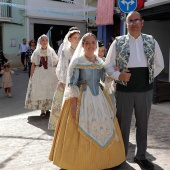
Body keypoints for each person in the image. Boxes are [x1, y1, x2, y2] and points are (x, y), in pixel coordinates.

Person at [49, 33, 125, 169]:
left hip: (99, 98)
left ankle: (106, 160)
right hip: (81, 98)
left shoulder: (100, 62)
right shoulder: (77, 62)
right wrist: (73, 105)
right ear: (82, 45)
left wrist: (114, 74)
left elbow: (104, 79)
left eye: (93, 43)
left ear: (95, 45)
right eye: (87, 43)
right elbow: (72, 84)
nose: (90, 45)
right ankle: (80, 161)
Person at [105, 11, 164, 170]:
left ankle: (141, 156)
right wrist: (118, 75)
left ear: (142, 22)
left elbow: (160, 64)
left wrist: (149, 76)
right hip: (124, 90)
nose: (134, 23)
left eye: (137, 20)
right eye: (130, 21)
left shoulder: (151, 41)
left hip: (145, 89)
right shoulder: (118, 42)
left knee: (143, 124)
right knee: (123, 125)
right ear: (127, 24)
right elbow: (107, 65)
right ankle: (120, 156)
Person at [48, 27, 81, 130]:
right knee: (68, 108)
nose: (77, 40)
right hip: (67, 83)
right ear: (69, 38)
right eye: (75, 38)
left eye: (79, 38)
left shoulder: (81, 51)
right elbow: (63, 70)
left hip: (80, 83)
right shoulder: (65, 51)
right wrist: (67, 87)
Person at [25, 34, 58, 118]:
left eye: (46, 40)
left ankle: (47, 109)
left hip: (50, 74)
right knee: (40, 90)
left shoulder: (51, 51)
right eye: (43, 40)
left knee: (48, 90)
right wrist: (31, 77)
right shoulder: (37, 52)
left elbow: (56, 61)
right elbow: (33, 65)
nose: (44, 42)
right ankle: (42, 110)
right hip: (39, 74)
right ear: (40, 41)